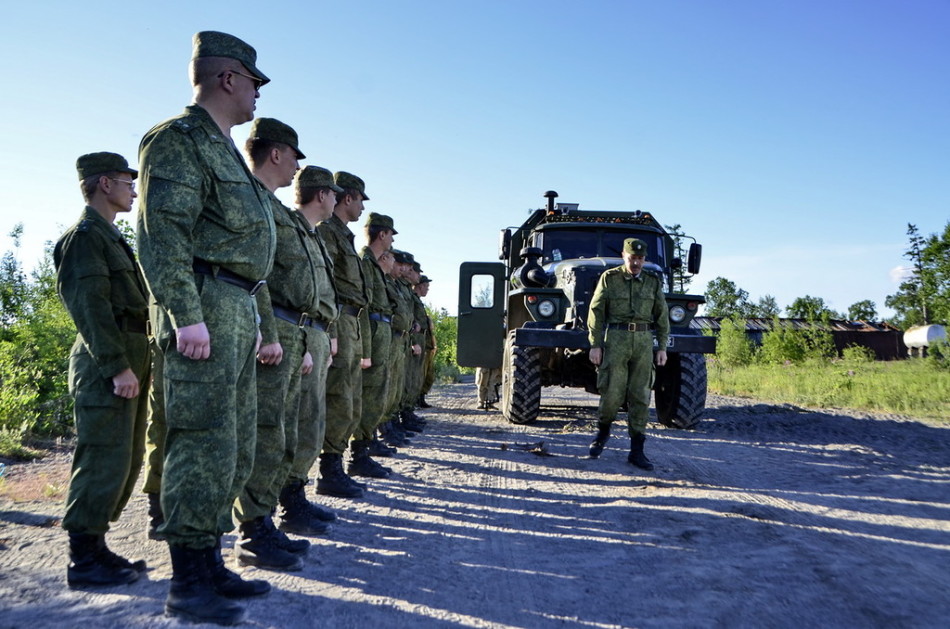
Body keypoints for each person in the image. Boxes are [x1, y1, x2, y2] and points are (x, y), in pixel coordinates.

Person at [136, 31, 275, 625]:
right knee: (201, 438)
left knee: (233, 440)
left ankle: (210, 560)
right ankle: (188, 580)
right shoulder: (179, 140)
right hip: (207, 303)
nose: (255, 96)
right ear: (227, 79)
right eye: (253, 82)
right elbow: (160, 232)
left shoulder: (223, 151)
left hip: (237, 304)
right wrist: (185, 314)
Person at [55, 152, 150, 589]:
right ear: (104, 185)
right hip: (106, 361)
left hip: (127, 354)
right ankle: (83, 560)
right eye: (127, 182)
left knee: (123, 459)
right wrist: (117, 368)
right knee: (102, 458)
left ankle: (96, 545)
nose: (134, 189)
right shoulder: (85, 237)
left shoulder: (109, 236)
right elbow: (90, 310)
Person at [232, 117, 316, 572]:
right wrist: (267, 328)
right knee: (263, 431)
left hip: (286, 328)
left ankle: (264, 519)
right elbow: (255, 275)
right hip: (266, 326)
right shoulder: (248, 195)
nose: (296, 170)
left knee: (280, 430)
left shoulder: (274, 207)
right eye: (293, 158)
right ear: (277, 153)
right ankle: (251, 528)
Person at [280, 166, 343, 526]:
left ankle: (295, 496)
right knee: (290, 425)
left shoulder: (314, 235)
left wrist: (326, 331)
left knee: (311, 423)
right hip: (294, 331)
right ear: (321, 195)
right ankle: (278, 509)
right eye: (333, 193)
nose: (336, 198)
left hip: (314, 332)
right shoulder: (285, 226)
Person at [586, 238, 669, 470]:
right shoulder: (610, 278)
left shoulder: (652, 282)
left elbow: (662, 315)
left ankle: (637, 450)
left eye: (640, 259)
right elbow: (596, 311)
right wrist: (595, 344)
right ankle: (602, 434)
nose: (636, 263)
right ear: (624, 255)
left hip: (643, 342)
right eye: (632, 258)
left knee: (641, 396)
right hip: (616, 340)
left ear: (645, 259)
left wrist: (662, 347)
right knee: (612, 392)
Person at [315, 171, 371, 498]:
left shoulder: (342, 235)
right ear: (348, 198)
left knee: (348, 397)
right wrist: (332, 329)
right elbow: (326, 286)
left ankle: (338, 464)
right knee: (337, 397)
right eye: (361, 199)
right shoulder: (327, 232)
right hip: (338, 321)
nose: (363, 207)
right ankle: (329, 470)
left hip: (351, 322)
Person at [352, 213, 398, 478]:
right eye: (391, 234)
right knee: (368, 394)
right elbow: (363, 306)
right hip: (371, 328)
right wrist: (365, 350)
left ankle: (367, 444)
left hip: (381, 329)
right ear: (382, 234)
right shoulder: (365, 263)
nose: (392, 240)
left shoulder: (375, 265)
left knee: (378, 392)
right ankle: (359, 452)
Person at [415, 275, 437, 408]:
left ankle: (421, 397)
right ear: (420, 285)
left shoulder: (419, 302)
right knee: (419, 374)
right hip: (419, 341)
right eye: (426, 287)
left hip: (426, 343)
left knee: (428, 374)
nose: (427, 290)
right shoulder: (413, 300)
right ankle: (416, 399)